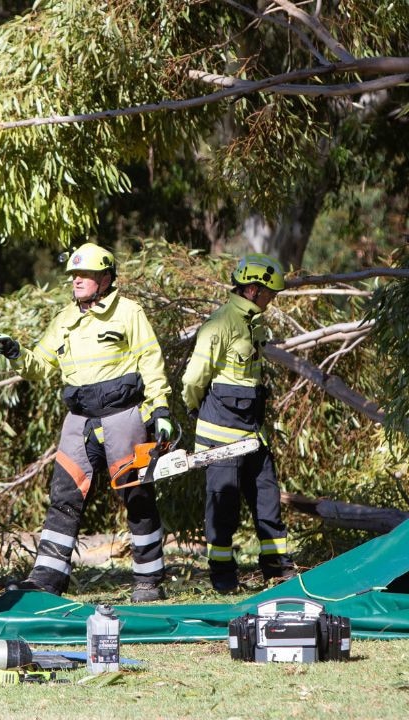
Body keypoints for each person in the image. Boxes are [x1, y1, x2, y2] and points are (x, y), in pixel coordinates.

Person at [0, 243, 172, 603]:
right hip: (79, 420)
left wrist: (161, 410)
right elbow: (39, 367)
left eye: (85, 275)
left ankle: (149, 580)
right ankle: (47, 581)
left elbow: (151, 361)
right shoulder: (64, 320)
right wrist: (16, 353)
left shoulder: (128, 313)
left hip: (124, 416)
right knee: (64, 496)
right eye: (74, 275)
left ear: (105, 279)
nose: (77, 281)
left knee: (136, 494)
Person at [181, 254, 296, 593]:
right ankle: (223, 579)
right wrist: (195, 410)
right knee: (224, 508)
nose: (271, 300)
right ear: (251, 289)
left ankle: (278, 571)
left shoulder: (253, 322)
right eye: (268, 294)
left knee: (267, 500)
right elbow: (193, 380)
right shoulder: (221, 324)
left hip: (253, 435)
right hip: (221, 438)